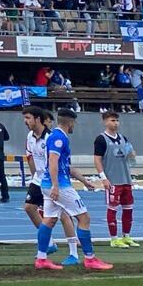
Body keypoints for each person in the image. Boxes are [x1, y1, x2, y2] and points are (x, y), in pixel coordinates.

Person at [44, 109, 113, 270]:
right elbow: (52, 162)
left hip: (50, 184)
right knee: (84, 218)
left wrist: (84, 180)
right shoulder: (59, 138)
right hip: (60, 185)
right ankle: (90, 258)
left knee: (49, 220)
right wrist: (56, 185)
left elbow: (65, 166)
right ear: (70, 122)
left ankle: (41, 257)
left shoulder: (56, 136)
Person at [21, 106, 64, 263]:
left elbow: (56, 162)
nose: (25, 122)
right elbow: (31, 157)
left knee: (62, 215)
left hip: (50, 180)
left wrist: (55, 183)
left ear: (37, 119)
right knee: (29, 207)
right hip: (38, 179)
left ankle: (74, 246)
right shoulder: (30, 136)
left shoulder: (50, 138)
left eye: (28, 118)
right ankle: (50, 242)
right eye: (24, 118)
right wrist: (34, 176)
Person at [93, 110, 139, 248]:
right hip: (113, 180)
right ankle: (114, 238)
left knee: (128, 208)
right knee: (112, 209)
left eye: (117, 120)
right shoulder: (101, 139)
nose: (116, 123)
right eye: (112, 120)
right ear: (105, 122)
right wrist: (103, 178)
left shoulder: (123, 138)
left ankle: (126, 236)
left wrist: (132, 155)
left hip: (126, 179)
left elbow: (131, 157)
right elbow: (97, 159)